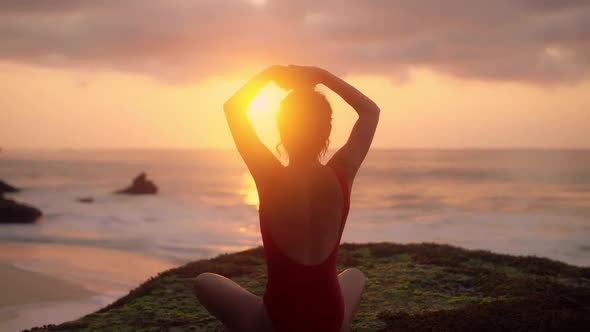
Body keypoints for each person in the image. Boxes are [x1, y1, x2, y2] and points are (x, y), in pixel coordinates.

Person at [193, 65, 380, 332]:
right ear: (326, 131)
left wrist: (270, 74)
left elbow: (233, 108)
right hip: (330, 318)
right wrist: (322, 76)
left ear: (282, 129)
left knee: (205, 281)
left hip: (279, 322)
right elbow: (370, 111)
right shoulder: (343, 171)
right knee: (355, 276)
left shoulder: (268, 175)